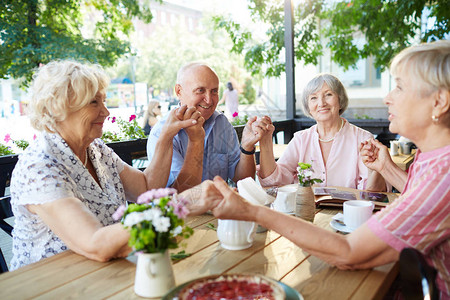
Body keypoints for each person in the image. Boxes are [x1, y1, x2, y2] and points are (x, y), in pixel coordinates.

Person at [205, 40, 450, 299]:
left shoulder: (442, 175)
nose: (387, 97)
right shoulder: (429, 157)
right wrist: (386, 166)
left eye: (399, 87)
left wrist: (253, 211)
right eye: (313, 98)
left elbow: (348, 253)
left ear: (439, 102)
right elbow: (416, 197)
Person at [9, 60, 218, 270]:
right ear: (59, 107)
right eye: (93, 103)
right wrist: (179, 204)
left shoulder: (96, 149)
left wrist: (166, 135)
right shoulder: (39, 166)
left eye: (104, 101)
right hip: (52, 284)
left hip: (106, 271)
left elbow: (146, 188)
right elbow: (96, 244)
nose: (106, 112)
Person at [147, 62, 268, 192]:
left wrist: (247, 148)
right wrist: (196, 140)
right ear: (179, 91)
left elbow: (244, 181)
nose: (209, 100)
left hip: (220, 209)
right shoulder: (162, 134)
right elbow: (181, 195)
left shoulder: (221, 123)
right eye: (200, 90)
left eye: (214, 91)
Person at [256, 73, 385, 191]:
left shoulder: (363, 138)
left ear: (340, 101)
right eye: (313, 98)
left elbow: (372, 192)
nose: (321, 103)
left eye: (328, 95)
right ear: (309, 108)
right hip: (307, 212)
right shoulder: (301, 139)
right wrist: (266, 141)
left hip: (348, 212)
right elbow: (274, 181)